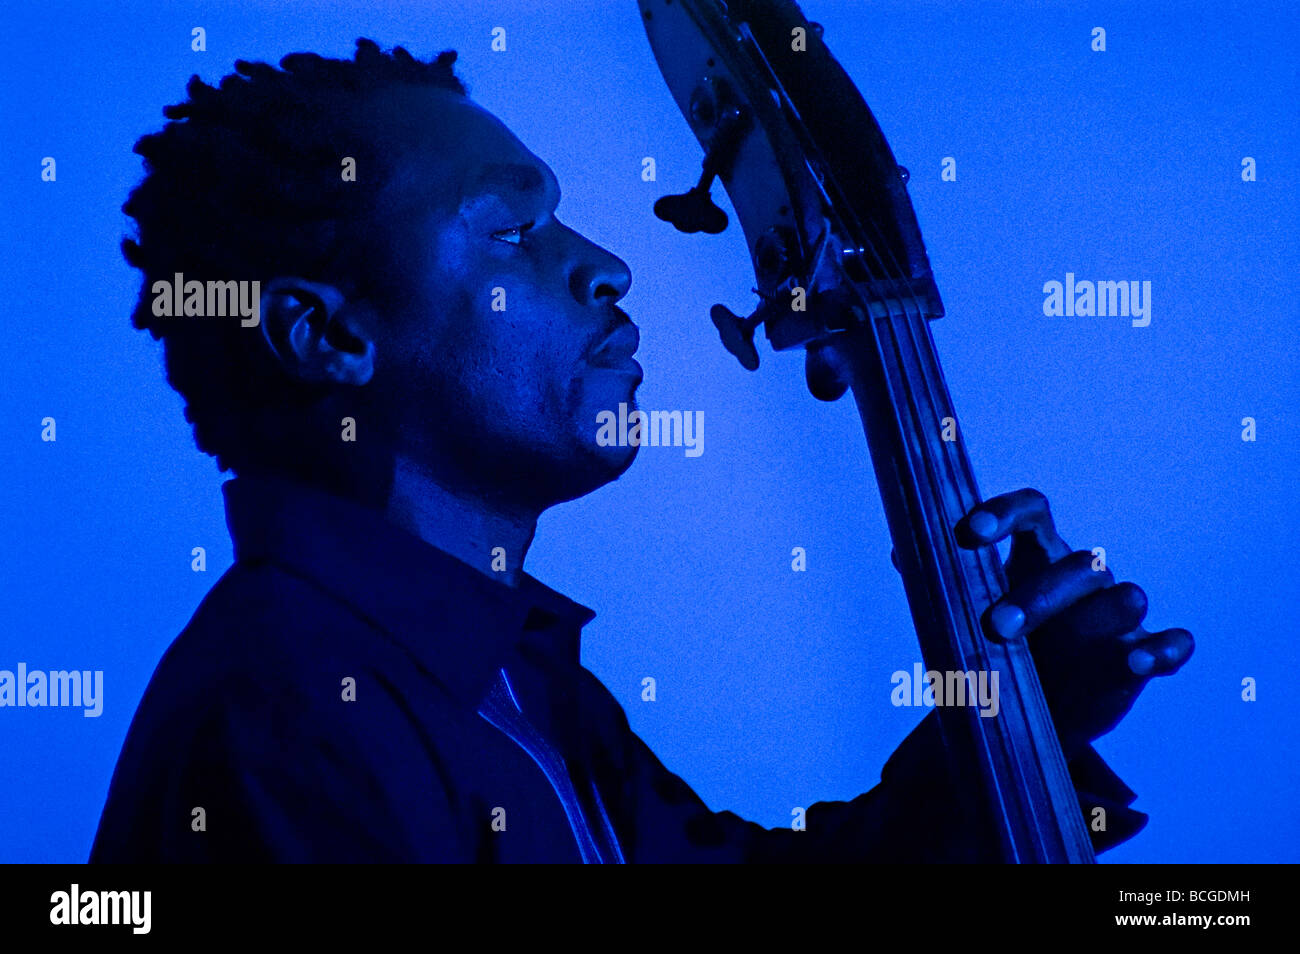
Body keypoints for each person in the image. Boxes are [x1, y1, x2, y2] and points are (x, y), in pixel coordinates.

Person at [90, 41, 1193, 862]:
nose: (608, 265)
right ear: (329, 335)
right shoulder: (292, 714)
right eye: (515, 232)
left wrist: (1018, 718)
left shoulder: (515, 677)